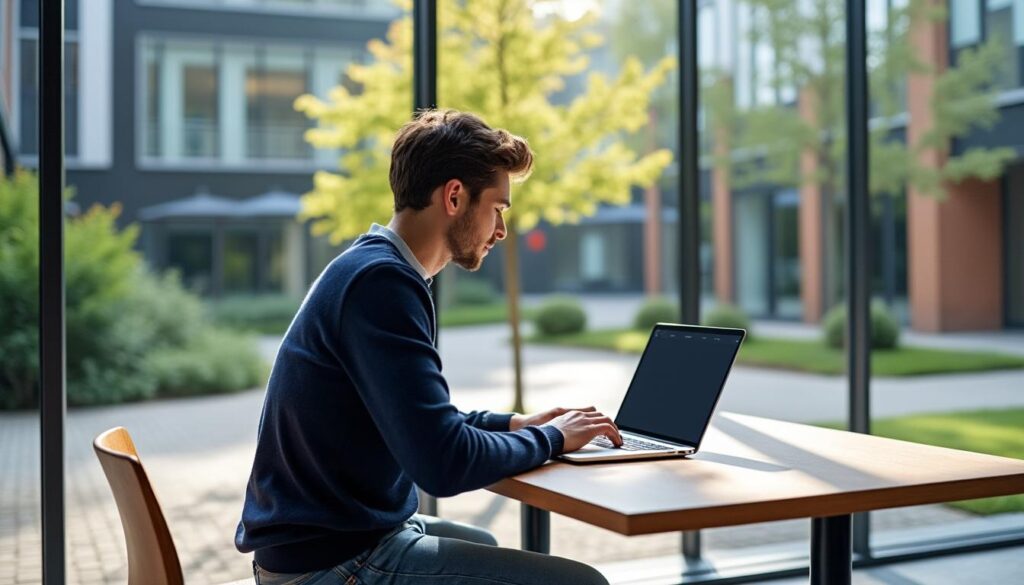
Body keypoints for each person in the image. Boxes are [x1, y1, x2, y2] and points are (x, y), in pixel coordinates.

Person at [236, 109, 623, 585]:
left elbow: (420, 424)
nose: (501, 230)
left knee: (484, 545)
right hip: (331, 563)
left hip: (331, 540)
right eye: (498, 208)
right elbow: (443, 463)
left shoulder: (372, 267)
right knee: (583, 584)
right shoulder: (382, 284)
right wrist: (553, 438)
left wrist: (514, 424)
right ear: (455, 196)